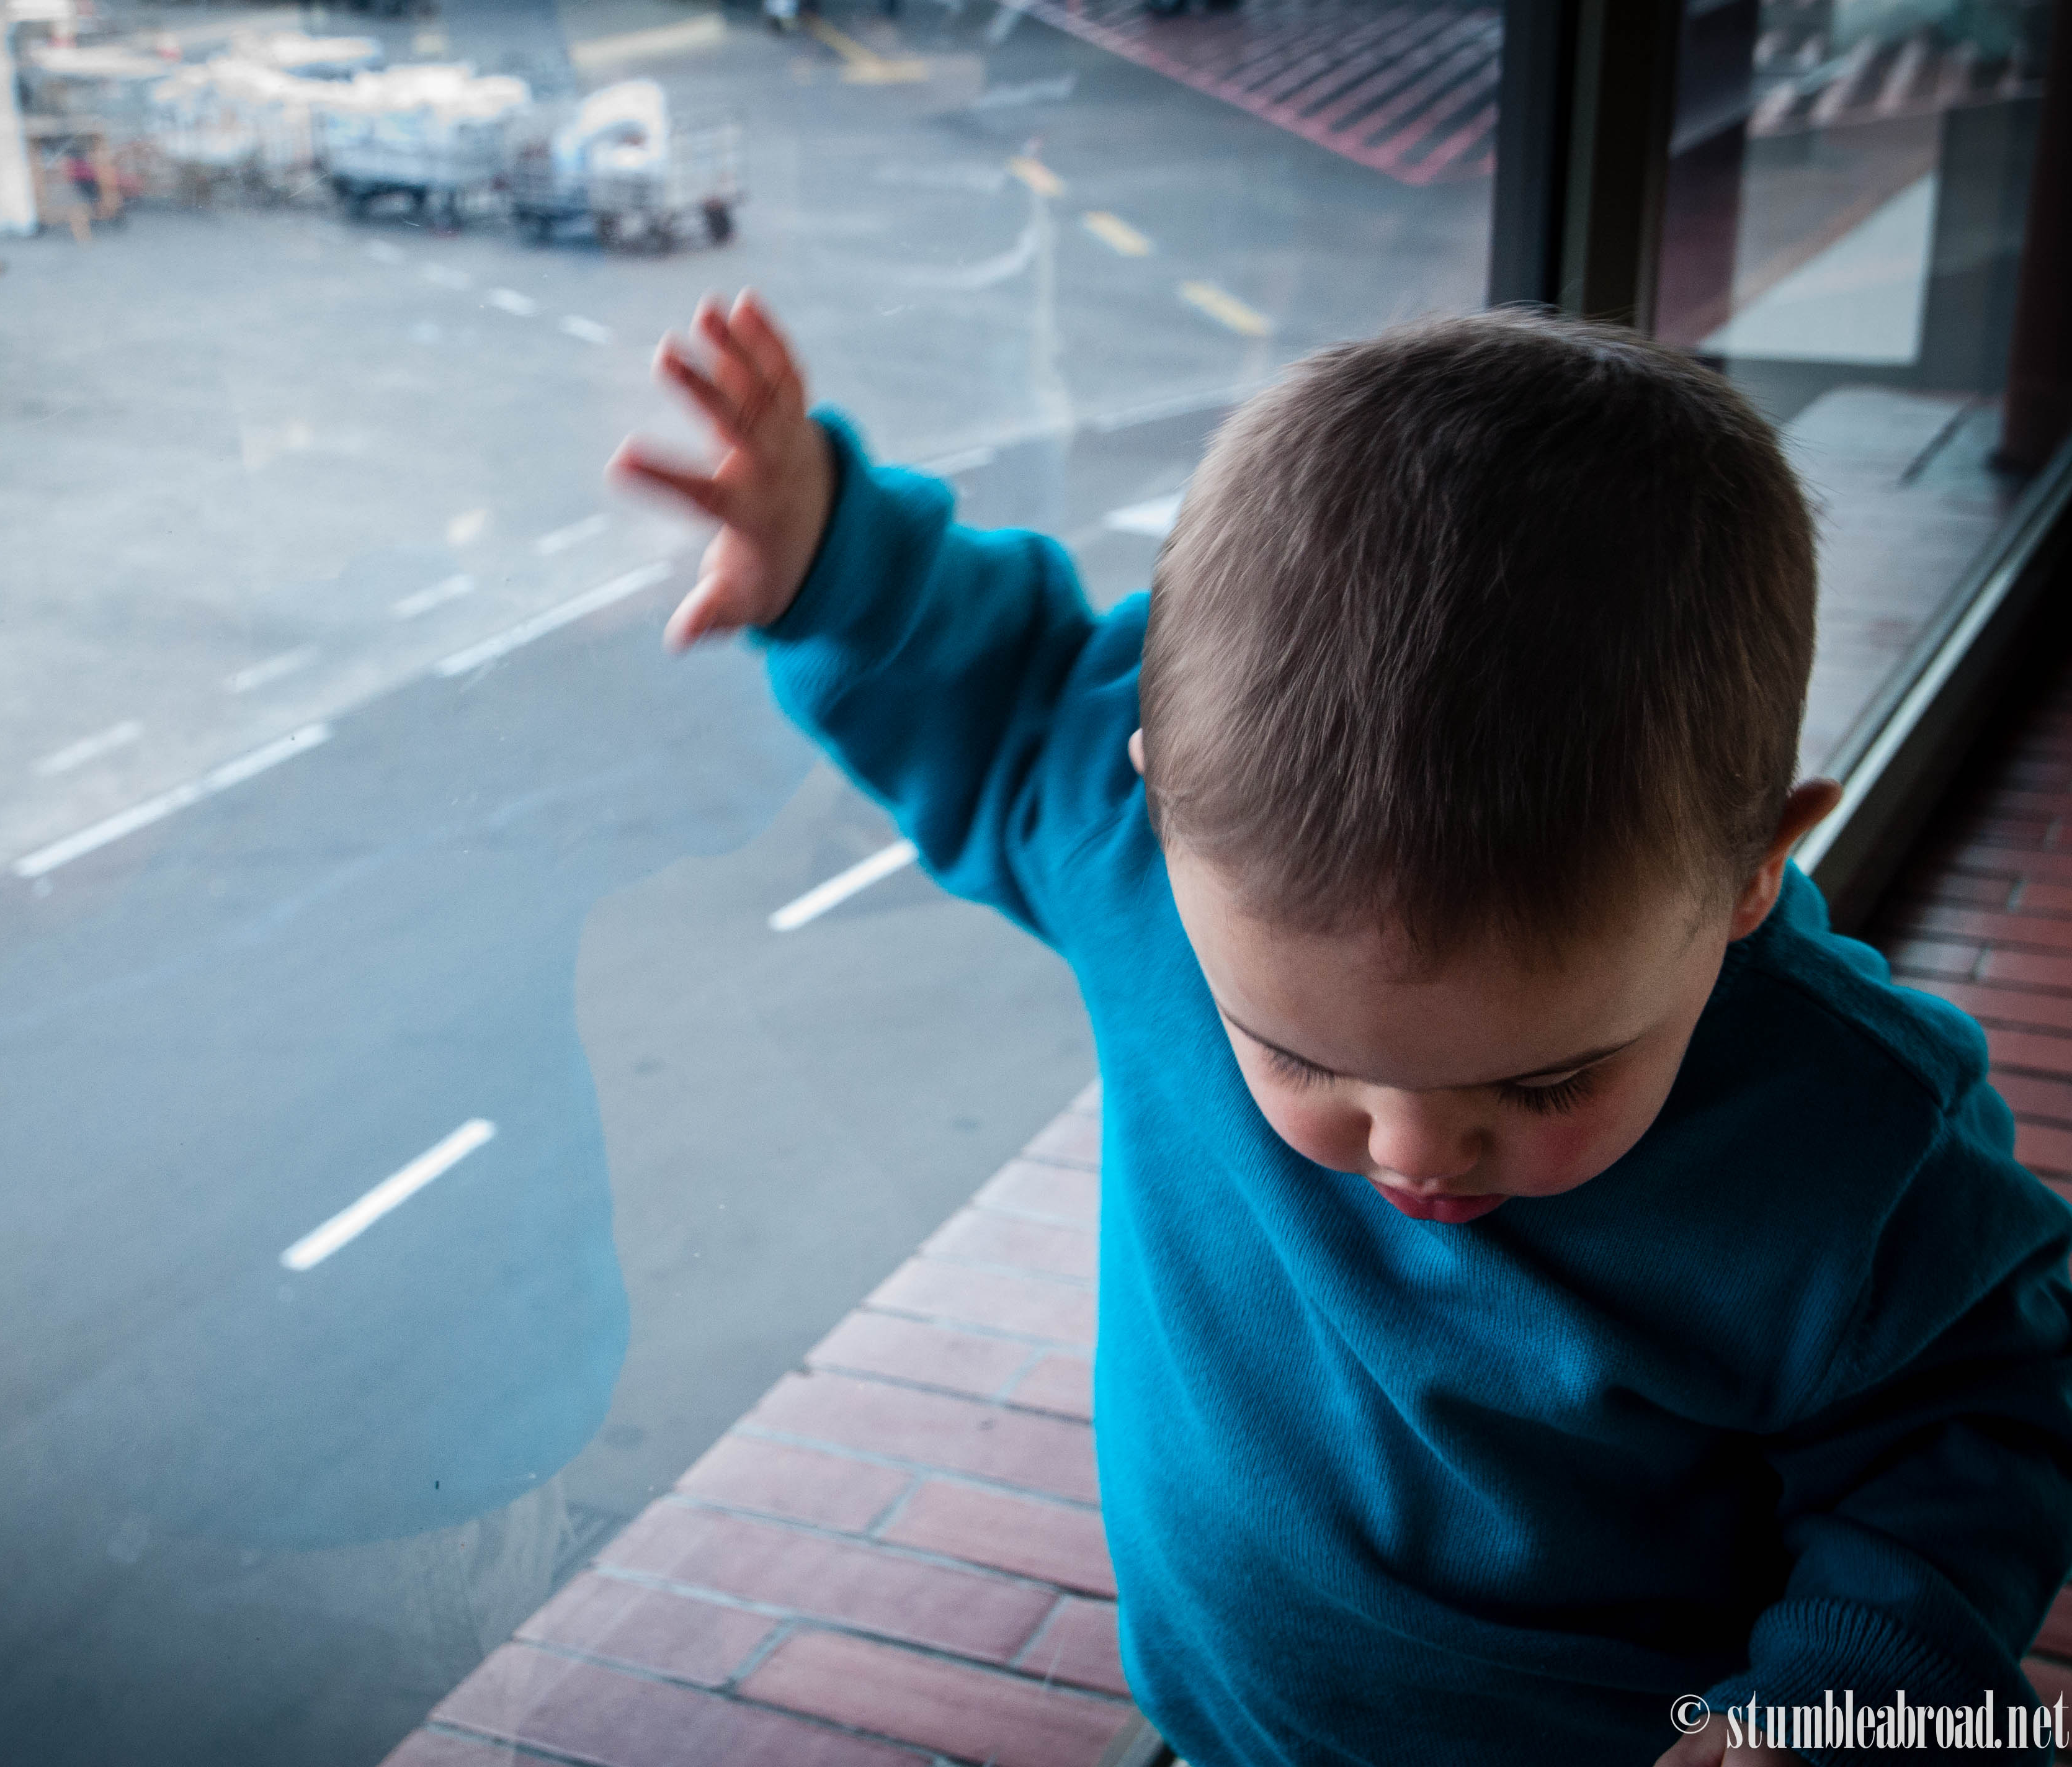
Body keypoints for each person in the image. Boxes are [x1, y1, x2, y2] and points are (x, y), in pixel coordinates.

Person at [609, 292, 2072, 1767]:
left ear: (1753, 865)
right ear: (1158, 812)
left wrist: (1832, 1704)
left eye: (1545, 1077)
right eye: (1301, 1056)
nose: (1413, 1148)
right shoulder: (1151, 859)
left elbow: (1978, 1436)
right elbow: (1007, 697)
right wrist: (835, 559)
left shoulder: (1857, 1141)